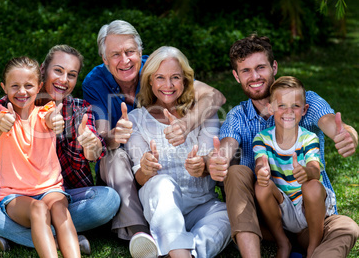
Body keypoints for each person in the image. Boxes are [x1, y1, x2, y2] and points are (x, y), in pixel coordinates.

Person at [0, 45, 120, 253]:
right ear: (44, 71)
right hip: (15, 195)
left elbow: (82, 142)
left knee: (107, 200)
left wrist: (92, 145)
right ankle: (54, 237)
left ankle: (18, 235)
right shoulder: (10, 105)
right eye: (58, 70)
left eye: (71, 74)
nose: (64, 79)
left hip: (58, 192)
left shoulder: (75, 109)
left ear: (37, 84)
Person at [208, 34, 359, 257]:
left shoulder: (305, 101)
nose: (255, 76)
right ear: (236, 76)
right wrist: (219, 159)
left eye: (261, 67)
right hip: (266, 221)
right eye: (246, 71)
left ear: (274, 67)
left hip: (312, 220)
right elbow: (228, 144)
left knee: (347, 227)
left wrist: (347, 136)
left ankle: (314, 251)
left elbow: (333, 124)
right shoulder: (237, 116)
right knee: (236, 172)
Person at [82, 20, 226, 242]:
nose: (125, 60)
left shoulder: (159, 67)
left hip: (167, 171)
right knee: (115, 156)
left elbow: (214, 96)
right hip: (127, 167)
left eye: (130, 51)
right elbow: (101, 142)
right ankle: (139, 231)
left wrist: (185, 125)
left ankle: (171, 236)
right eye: (115, 55)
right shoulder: (94, 81)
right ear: (105, 59)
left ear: (140, 52)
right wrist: (114, 135)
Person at [124, 46, 231, 258]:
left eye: (175, 77)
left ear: (185, 80)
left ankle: (177, 250)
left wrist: (201, 168)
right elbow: (141, 177)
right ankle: (180, 252)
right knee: (163, 183)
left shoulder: (203, 113)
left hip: (201, 204)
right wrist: (146, 168)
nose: (168, 85)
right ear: (150, 81)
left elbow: (208, 160)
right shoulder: (136, 118)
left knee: (229, 214)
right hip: (160, 205)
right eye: (160, 78)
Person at [0, 56, 82, 257]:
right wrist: (0, 121)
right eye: (15, 86)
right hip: (15, 196)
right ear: (4, 87)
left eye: (29, 85)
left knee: (59, 209)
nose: (22, 91)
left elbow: (51, 118)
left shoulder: (45, 112)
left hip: (51, 190)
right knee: (38, 209)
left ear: (39, 86)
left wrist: (55, 120)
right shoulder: (2, 115)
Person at [253, 76, 336, 258]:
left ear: (304, 109)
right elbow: (261, 161)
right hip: (284, 207)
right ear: (270, 108)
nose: (288, 111)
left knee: (312, 185)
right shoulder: (262, 138)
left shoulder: (308, 138)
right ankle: (283, 242)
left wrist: (306, 172)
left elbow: (315, 167)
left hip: (308, 207)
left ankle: (313, 247)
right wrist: (262, 171)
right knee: (261, 187)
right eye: (281, 105)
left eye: (295, 106)